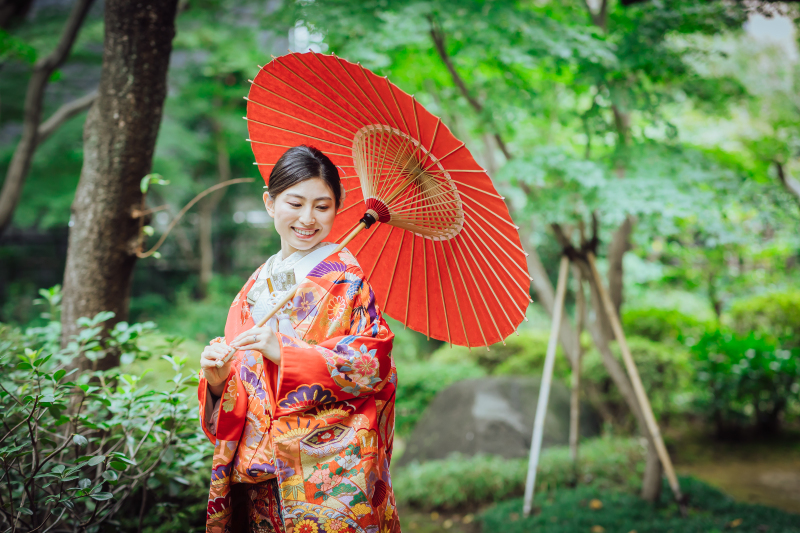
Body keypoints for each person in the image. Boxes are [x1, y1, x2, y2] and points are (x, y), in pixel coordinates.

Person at [198, 145, 400, 533]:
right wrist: (219, 380)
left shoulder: (346, 278)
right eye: (295, 203)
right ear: (270, 203)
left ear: (337, 207)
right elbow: (244, 378)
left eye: (322, 207)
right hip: (259, 474)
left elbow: (373, 365)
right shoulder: (259, 283)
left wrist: (285, 353)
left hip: (327, 477)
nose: (307, 219)